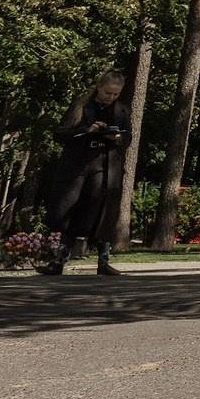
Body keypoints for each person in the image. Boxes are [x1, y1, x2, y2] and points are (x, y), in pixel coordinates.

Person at [44, 69, 131, 277]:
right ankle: (59, 260)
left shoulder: (122, 110)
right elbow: (60, 133)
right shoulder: (81, 106)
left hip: (105, 163)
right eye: (108, 92)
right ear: (99, 87)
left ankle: (103, 261)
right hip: (78, 163)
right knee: (69, 208)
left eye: (116, 94)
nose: (111, 97)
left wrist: (117, 138)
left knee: (102, 210)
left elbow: (128, 138)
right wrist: (87, 130)